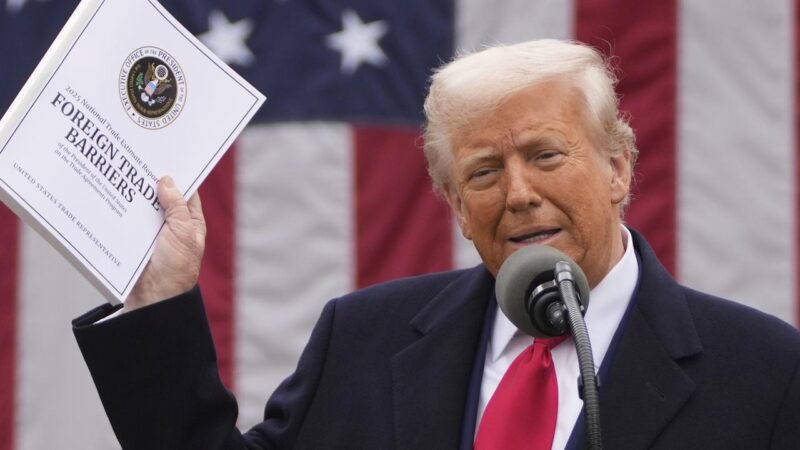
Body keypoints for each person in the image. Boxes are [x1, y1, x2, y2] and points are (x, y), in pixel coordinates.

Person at [74, 39, 800, 449]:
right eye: (484, 172)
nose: (518, 193)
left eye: (546, 156)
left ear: (619, 168)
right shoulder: (362, 339)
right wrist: (162, 297)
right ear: (456, 206)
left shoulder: (765, 372)